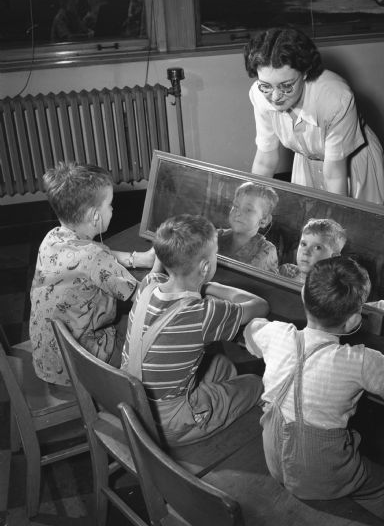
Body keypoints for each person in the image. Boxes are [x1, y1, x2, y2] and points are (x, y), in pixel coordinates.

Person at [244, 256, 384, 522]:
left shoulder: (277, 334)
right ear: (354, 321)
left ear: (302, 294)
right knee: (382, 482)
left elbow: (252, 330)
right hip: (319, 476)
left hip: (274, 462)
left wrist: (262, 327)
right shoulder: (358, 361)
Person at [121, 214, 269, 446]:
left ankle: (218, 403)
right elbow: (260, 306)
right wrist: (213, 286)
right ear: (205, 266)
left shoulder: (147, 287)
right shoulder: (203, 314)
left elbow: (159, 270)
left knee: (220, 364)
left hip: (131, 403)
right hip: (168, 424)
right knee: (255, 383)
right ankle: (226, 436)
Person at [29, 161, 156, 387]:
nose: (113, 210)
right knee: (153, 339)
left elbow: (93, 256)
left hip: (48, 358)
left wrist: (137, 258)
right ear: (94, 216)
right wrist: (163, 260)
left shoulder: (53, 238)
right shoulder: (94, 259)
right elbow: (146, 296)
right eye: (110, 205)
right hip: (82, 368)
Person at [244, 27, 384, 205]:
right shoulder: (259, 95)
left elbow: (335, 174)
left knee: (355, 226)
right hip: (307, 160)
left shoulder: (335, 98)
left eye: (286, 86)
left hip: (351, 161)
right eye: (266, 86)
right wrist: (249, 205)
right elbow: (265, 160)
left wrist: (335, 220)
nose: (275, 97)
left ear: (305, 73)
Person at [217, 181, 279, 274]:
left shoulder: (267, 250)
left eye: (248, 210)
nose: (238, 213)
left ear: (264, 220)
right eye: (236, 206)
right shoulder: (217, 235)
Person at [279, 217, 346, 282]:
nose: (306, 252)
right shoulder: (286, 271)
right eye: (303, 244)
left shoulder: (329, 289)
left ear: (334, 258)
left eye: (317, 247)